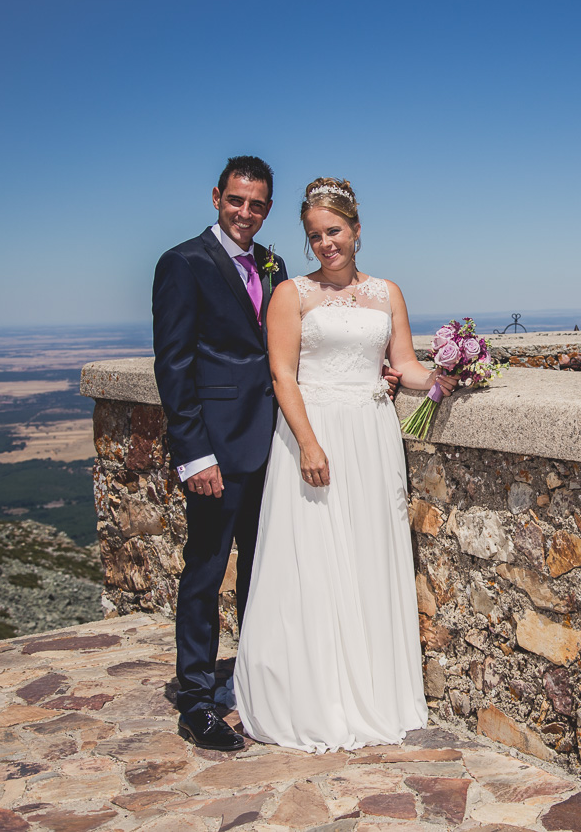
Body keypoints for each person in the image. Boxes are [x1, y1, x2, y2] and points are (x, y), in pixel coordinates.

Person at [234, 177, 458, 752]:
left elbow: (402, 363)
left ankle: (375, 693)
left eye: (334, 231)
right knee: (312, 558)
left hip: (373, 433)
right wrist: (308, 443)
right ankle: (316, 697)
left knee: (366, 555)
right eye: (315, 235)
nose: (325, 244)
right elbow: (283, 374)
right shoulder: (292, 294)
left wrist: (440, 379)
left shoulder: (388, 293)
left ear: (356, 230)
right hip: (317, 435)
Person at [152, 156, 286, 751]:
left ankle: (256, 682)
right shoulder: (182, 263)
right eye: (237, 200)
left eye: (257, 204)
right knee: (206, 571)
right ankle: (197, 700)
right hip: (216, 449)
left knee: (262, 569)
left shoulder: (272, 262)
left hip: (272, 443)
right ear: (216, 197)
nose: (245, 213)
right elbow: (174, 366)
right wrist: (194, 455)